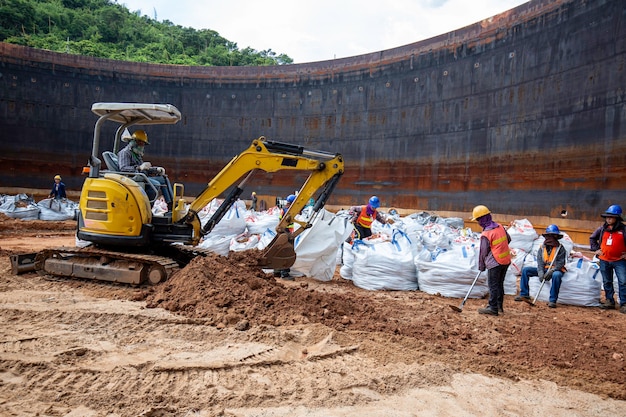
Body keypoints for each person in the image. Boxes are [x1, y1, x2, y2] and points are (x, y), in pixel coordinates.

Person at [472, 205, 511, 316]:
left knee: (493, 285)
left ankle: (492, 308)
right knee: (499, 284)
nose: (478, 222)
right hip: (505, 260)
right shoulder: (500, 226)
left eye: (478, 220)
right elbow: (508, 239)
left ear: (481, 220)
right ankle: (499, 307)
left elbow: (483, 253)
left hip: (495, 262)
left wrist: (481, 266)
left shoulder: (486, 234)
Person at [515, 224, 567, 308]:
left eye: (553, 236)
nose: (550, 238)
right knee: (525, 270)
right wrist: (540, 272)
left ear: (556, 237)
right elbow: (540, 262)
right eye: (549, 236)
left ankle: (552, 300)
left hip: (556, 270)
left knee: (557, 275)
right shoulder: (542, 248)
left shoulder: (560, 248)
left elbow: (561, 263)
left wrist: (552, 271)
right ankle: (524, 294)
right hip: (544, 269)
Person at [117, 130, 172, 206]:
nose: (142, 146)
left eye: (143, 144)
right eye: (141, 143)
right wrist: (139, 167)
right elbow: (123, 168)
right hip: (132, 179)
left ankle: (170, 203)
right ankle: (148, 206)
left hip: (142, 177)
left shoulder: (136, 154)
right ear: (134, 142)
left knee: (164, 179)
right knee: (155, 184)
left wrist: (156, 169)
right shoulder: (125, 153)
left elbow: (144, 168)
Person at [589, 204, 626, 314]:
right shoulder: (602, 229)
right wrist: (596, 249)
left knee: (623, 281)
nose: (608, 219)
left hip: (620, 261)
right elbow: (592, 238)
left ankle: (624, 303)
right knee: (607, 281)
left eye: (611, 217)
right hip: (604, 260)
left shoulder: (624, 230)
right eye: (607, 217)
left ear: (617, 218)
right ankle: (609, 301)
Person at [274, 194, 296, 280]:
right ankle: (285, 274)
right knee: (287, 252)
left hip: (282, 233)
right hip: (287, 233)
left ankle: (277, 271)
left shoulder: (283, 209)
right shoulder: (289, 211)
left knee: (279, 252)